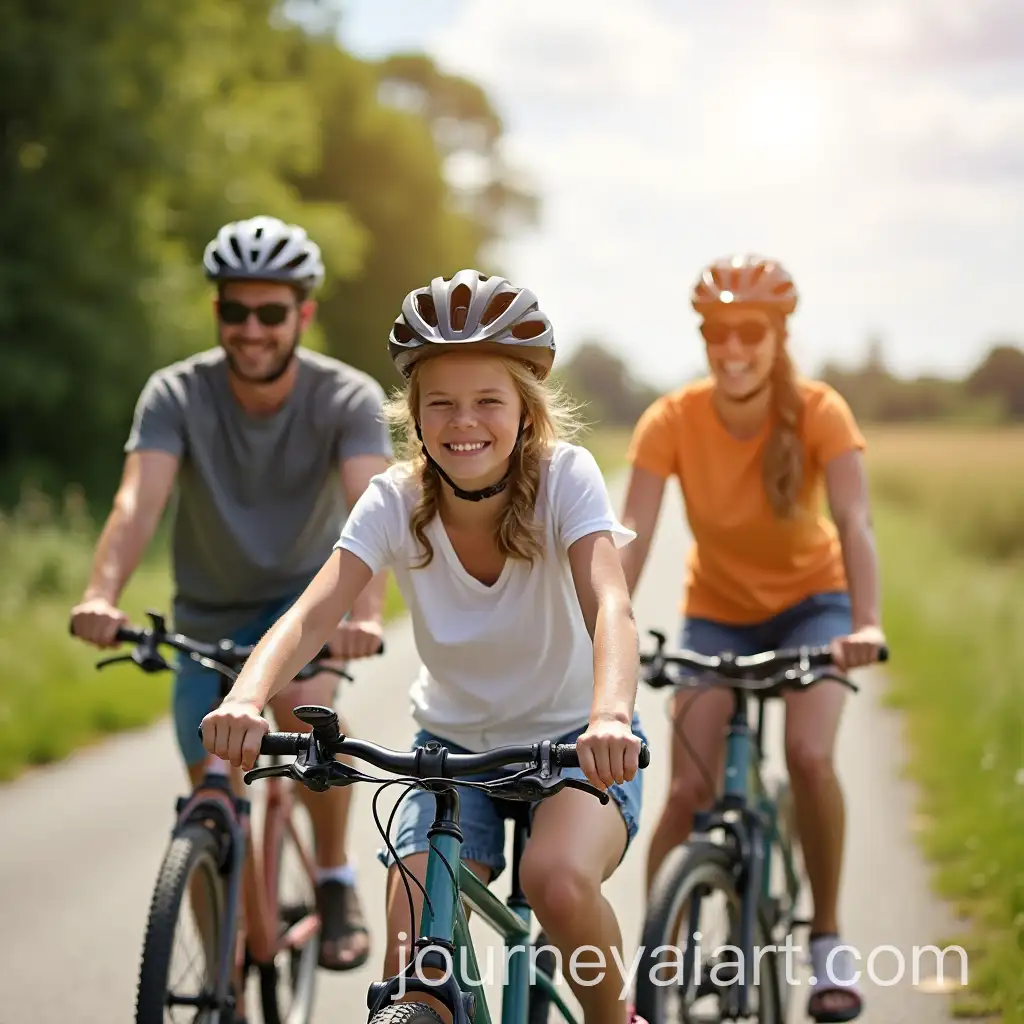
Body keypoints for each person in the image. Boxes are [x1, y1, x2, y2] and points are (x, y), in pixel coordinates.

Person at [199, 268, 650, 1024]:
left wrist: (609, 716)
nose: (463, 421)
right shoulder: (395, 498)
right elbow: (312, 613)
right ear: (414, 414)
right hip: (452, 752)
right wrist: (246, 697)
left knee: (558, 881)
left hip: (578, 742)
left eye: (488, 401)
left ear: (526, 410)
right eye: (440, 402)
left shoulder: (565, 477)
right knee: (412, 967)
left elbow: (610, 605)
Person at [69, 214, 393, 971]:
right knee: (211, 796)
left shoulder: (345, 397)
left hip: (304, 609)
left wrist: (368, 613)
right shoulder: (176, 393)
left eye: (271, 312)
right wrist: (100, 594)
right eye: (235, 310)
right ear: (217, 310)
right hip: (206, 616)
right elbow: (136, 503)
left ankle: (334, 876)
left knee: (306, 715)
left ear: (303, 315)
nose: (252, 330)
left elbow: (370, 508)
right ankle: (227, 975)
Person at [619, 254, 885, 1023]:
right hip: (717, 613)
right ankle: (657, 957)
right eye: (717, 333)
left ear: (778, 338)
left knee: (809, 755)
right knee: (687, 792)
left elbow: (855, 521)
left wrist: (866, 622)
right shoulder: (671, 419)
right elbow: (631, 536)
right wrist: (608, 628)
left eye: (749, 332)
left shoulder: (821, 410)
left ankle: (827, 937)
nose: (732, 348)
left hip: (814, 607)